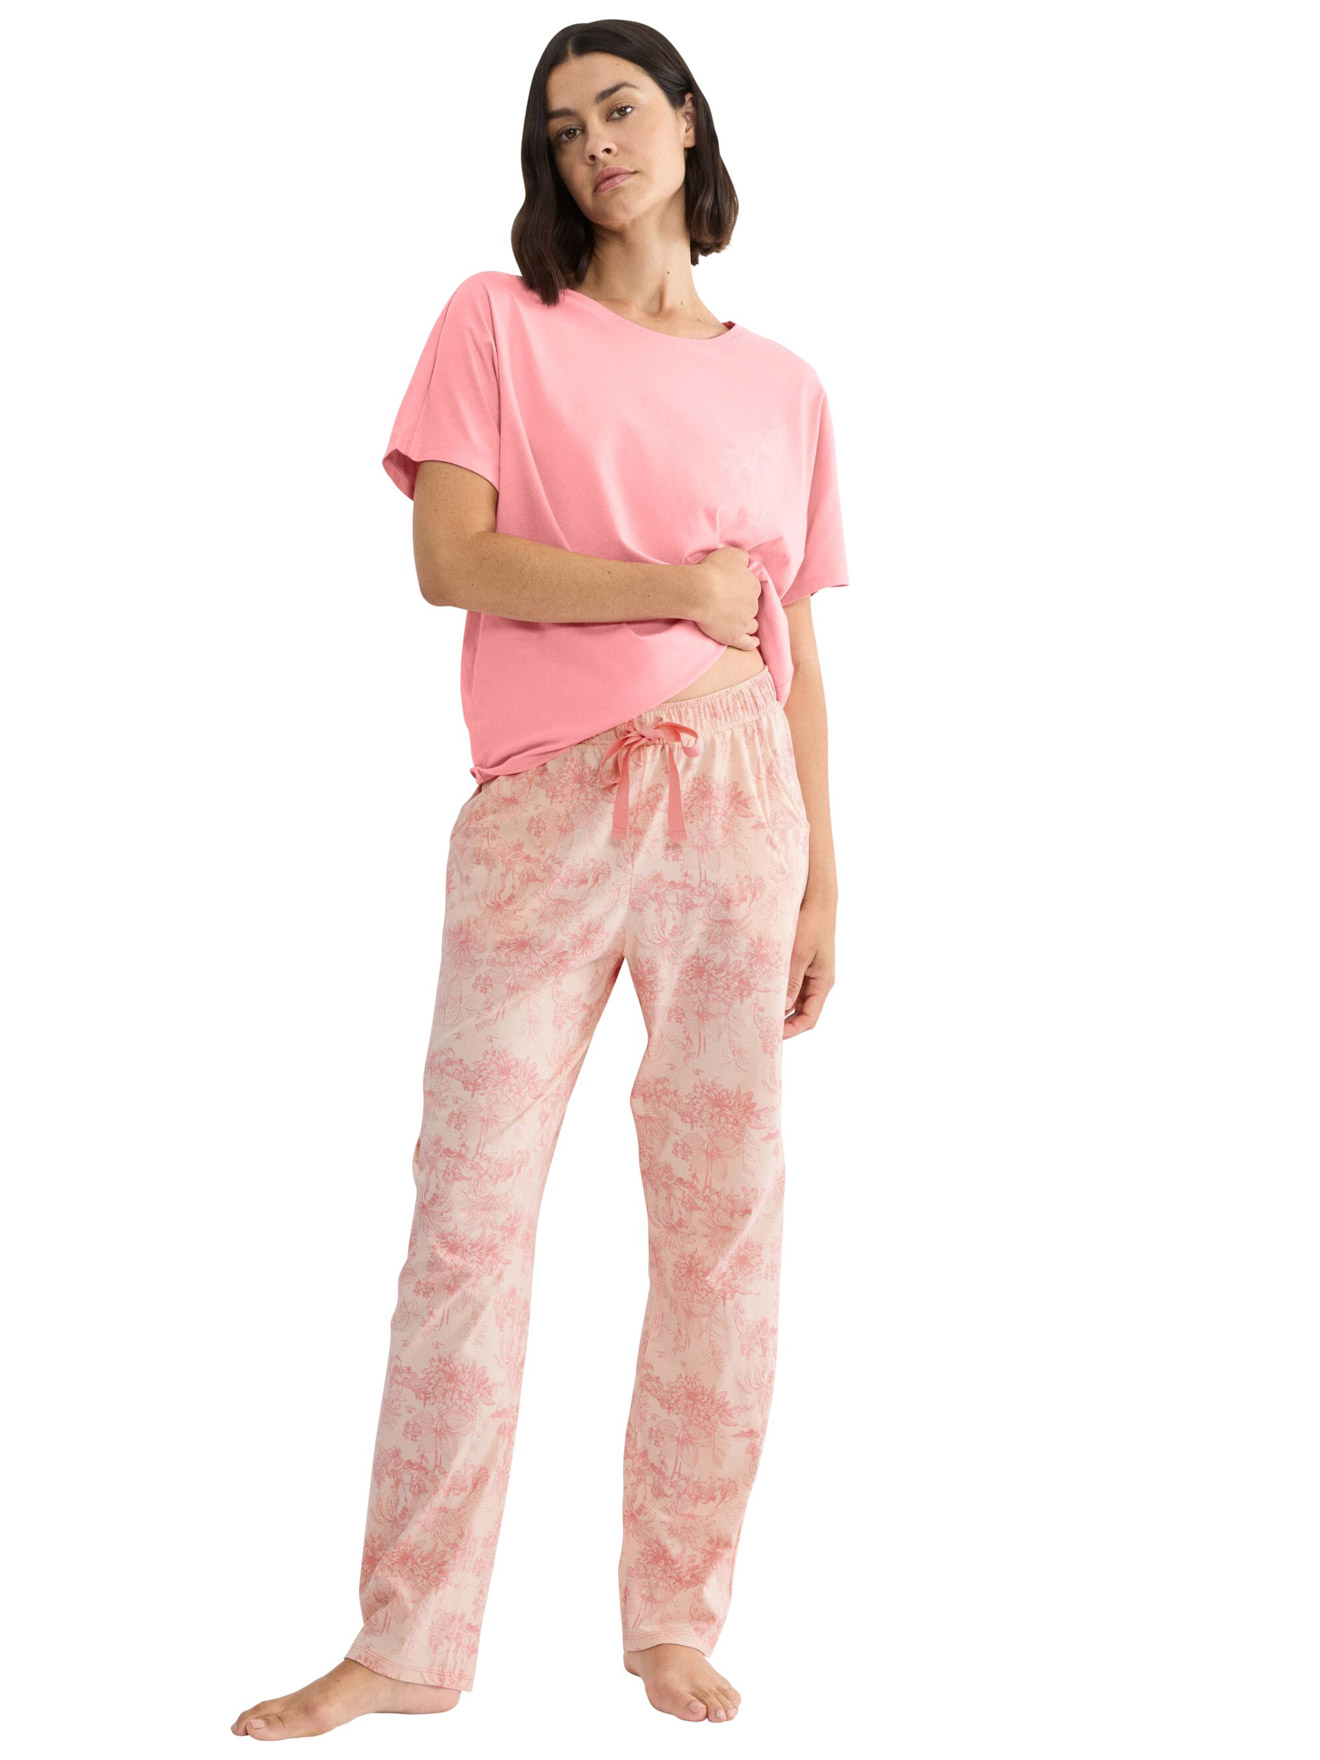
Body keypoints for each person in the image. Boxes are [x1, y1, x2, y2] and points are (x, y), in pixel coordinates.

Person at [231, 19, 847, 1742]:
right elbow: (452, 560)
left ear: (688, 123)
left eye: (622, 110)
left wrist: (826, 878)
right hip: (542, 814)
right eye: (565, 128)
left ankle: (675, 1619)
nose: (597, 147)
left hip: (738, 802)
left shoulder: (786, 384)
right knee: (468, 1218)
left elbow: (795, 640)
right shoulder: (495, 322)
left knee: (722, 1225)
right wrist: (672, 588)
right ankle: (405, 1646)